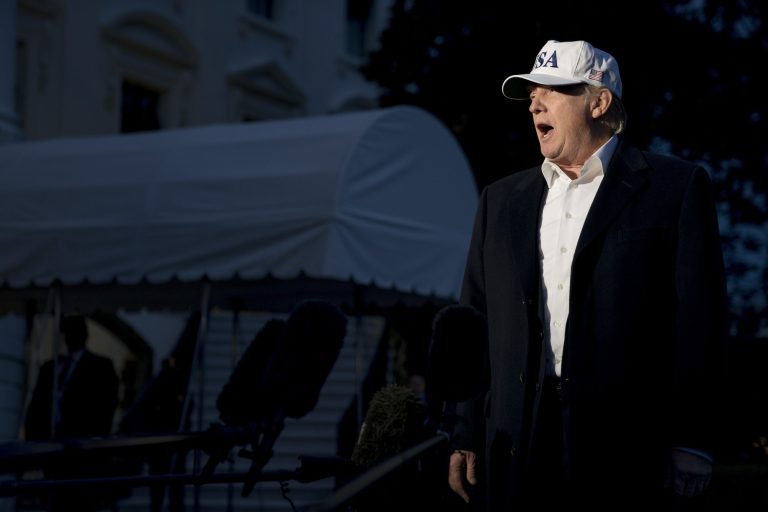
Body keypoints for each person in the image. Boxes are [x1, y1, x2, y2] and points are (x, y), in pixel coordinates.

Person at [446, 40, 728, 510]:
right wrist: (463, 430)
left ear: (598, 102)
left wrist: (692, 439)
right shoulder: (500, 200)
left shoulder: (674, 188)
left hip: (625, 449)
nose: (535, 102)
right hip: (515, 443)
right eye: (531, 92)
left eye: (553, 90)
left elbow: (700, 323)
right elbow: (473, 321)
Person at [25, 314, 119, 441]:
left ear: (85, 335)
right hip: (46, 440)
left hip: (80, 441)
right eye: (68, 332)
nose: (70, 336)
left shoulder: (101, 366)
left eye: (75, 332)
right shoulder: (50, 367)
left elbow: (106, 406)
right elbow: (36, 405)